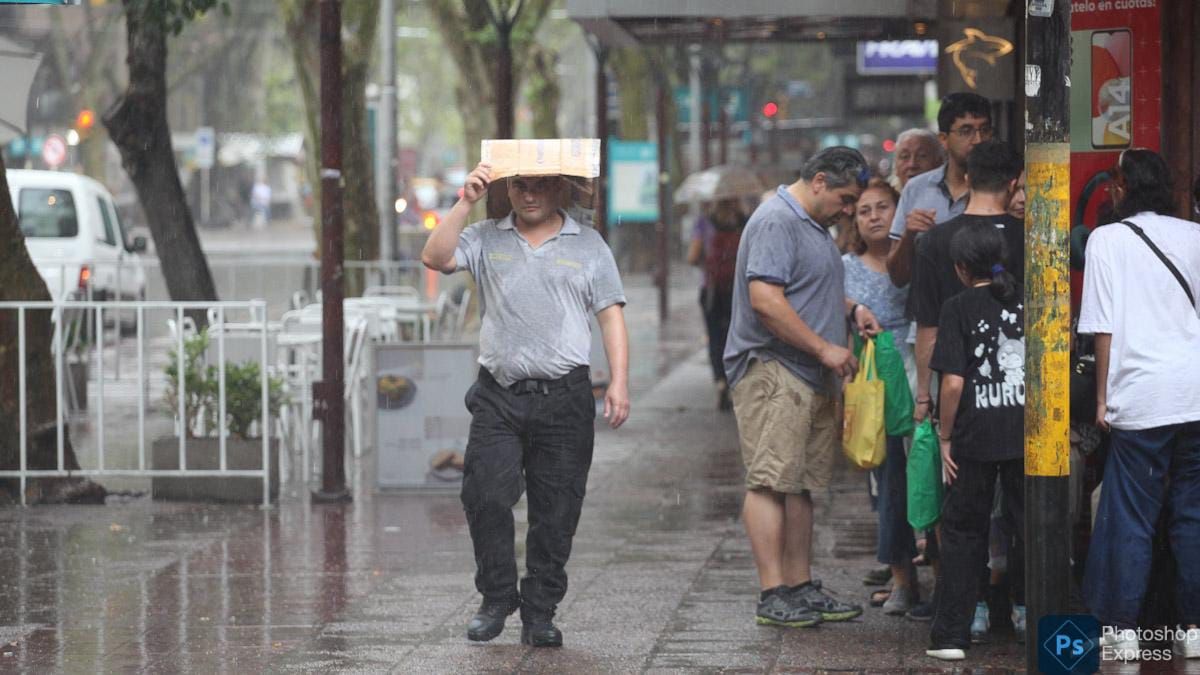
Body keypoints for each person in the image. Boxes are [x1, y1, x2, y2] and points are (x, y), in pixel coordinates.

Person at [421, 162, 631, 648]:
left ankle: (540, 611)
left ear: (559, 187)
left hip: (565, 398)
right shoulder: (484, 237)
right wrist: (464, 200)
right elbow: (434, 258)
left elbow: (611, 317)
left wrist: (619, 382)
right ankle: (496, 596)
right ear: (507, 189)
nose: (529, 194)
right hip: (499, 395)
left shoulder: (589, 244)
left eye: (539, 184)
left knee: (556, 510)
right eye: (519, 184)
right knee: (485, 494)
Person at [724, 147, 881, 628]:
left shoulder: (814, 226)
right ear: (817, 182)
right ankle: (774, 592)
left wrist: (850, 309)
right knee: (770, 481)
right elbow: (766, 300)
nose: (850, 209)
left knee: (802, 487)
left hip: (809, 374)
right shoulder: (777, 220)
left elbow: (808, 286)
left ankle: (800, 586)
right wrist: (824, 349)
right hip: (775, 368)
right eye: (846, 198)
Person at [1079, 149, 1200, 660]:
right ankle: (1193, 630)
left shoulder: (1106, 240)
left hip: (1142, 394)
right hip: (1194, 393)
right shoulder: (1195, 234)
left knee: (1130, 514)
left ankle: (1123, 630)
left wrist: (1103, 399)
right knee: (1192, 512)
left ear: (1121, 188)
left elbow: (1102, 327)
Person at [925, 221, 1027, 661]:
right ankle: (1046, 627)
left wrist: (944, 437)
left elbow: (951, 384)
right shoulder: (1029, 298)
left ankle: (952, 636)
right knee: (1032, 528)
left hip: (973, 435)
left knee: (965, 531)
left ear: (962, 268)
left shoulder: (958, 306)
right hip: (1028, 434)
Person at [842, 179, 919, 614]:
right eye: (864, 210)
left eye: (883, 207)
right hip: (876, 386)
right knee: (889, 483)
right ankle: (902, 579)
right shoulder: (846, 267)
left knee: (924, 475)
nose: (874, 216)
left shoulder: (914, 258)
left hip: (918, 373)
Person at [887, 92, 994, 288]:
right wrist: (909, 236)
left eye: (984, 130)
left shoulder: (1003, 187)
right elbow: (898, 278)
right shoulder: (916, 189)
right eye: (966, 131)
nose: (977, 140)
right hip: (931, 312)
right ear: (943, 139)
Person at [687, 198, 748, 410]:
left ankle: (720, 381)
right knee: (737, 336)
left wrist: (708, 262)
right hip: (739, 291)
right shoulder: (745, 222)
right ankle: (736, 382)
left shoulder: (705, 223)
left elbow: (692, 256)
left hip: (712, 290)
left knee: (715, 338)